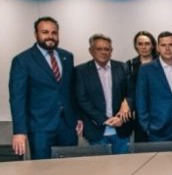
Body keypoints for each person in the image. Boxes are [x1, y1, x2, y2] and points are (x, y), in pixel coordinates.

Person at [9, 16, 82, 159]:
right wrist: (19, 131)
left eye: (54, 32)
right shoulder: (22, 60)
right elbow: (17, 98)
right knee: (42, 168)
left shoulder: (67, 57)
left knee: (71, 167)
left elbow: (71, 90)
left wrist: (78, 117)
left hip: (67, 125)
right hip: (40, 127)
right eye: (45, 32)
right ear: (35, 34)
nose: (50, 36)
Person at [74, 34, 133, 154]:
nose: (103, 52)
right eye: (99, 49)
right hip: (96, 131)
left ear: (111, 51)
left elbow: (131, 93)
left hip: (121, 130)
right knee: (100, 165)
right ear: (91, 51)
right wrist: (104, 120)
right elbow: (82, 99)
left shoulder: (123, 67)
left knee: (124, 164)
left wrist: (121, 116)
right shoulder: (81, 71)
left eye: (107, 49)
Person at [136, 31, 172, 147]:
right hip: (157, 128)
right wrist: (147, 127)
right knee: (160, 159)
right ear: (157, 48)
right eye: (163, 45)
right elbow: (141, 100)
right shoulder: (146, 70)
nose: (167, 49)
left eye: (171, 45)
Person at [127, 30, 157, 142]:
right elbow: (128, 89)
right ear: (136, 46)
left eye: (147, 44)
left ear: (153, 45)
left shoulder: (161, 62)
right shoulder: (130, 65)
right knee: (142, 143)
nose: (144, 47)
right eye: (140, 44)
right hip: (139, 111)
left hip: (158, 108)